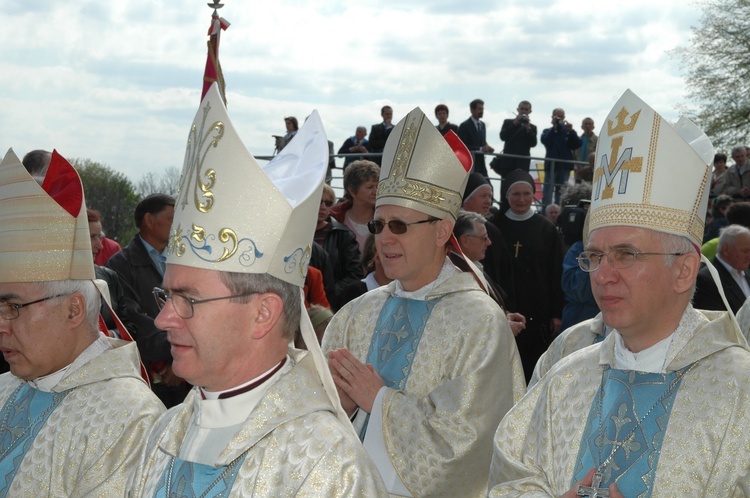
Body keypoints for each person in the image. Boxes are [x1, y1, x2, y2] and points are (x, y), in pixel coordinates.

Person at [489, 89, 750, 497]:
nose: (602, 275)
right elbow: (511, 478)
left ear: (683, 269)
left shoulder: (739, 388)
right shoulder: (565, 377)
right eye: (594, 255)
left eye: (626, 254)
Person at [129, 82, 387, 496]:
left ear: (263, 313)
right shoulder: (166, 428)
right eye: (167, 295)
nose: (162, 318)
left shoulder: (325, 465)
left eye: (187, 299)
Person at [323, 107, 525, 497]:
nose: (384, 239)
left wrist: (378, 401)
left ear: (442, 231)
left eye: (399, 225)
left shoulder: (479, 321)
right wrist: (342, 407)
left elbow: (467, 447)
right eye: (378, 225)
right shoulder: (356, 313)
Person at [0, 148, 164, 495]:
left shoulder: (128, 417)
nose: (2, 325)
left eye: (13, 307)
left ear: (74, 310)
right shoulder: (5, 388)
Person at [107, 193, 189, 407]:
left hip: (187, 375)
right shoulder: (120, 265)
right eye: (172, 219)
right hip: (148, 377)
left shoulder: (185, 259)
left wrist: (181, 361)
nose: (178, 225)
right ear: (149, 220)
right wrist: (175, 355)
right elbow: (134, 321)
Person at [492, 168, 564, 381]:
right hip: (504, 306)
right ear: (506, 196)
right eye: (516, 194)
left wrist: (556, 313)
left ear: (534, 196)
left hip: (538, 309)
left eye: (526, 194)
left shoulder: (547, 229)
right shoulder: (496, 226)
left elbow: (555, 270)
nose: (521, 199)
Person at [313, 183, 364, 310]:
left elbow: (354, 273)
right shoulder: (294, 232)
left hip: (330, 304)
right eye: (319, 201)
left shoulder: (344, 234)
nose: (323, 207)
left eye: (328, 203)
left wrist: (330, 293)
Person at [694, 224, 750, 313]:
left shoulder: (745, 272)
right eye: (745, 251)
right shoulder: (706, 280)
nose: (748, 256)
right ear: (726, 250)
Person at [330, 160, 379, 255]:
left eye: (378, 186)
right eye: (370, 187)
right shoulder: (334, 219)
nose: (376, 191)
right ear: (352, 191)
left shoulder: (386, 219)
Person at [540, 108, 583, 206]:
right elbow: (546, 141)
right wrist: (554, 127)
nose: (559, 118)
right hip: (551, 166)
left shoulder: (568, 131)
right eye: (557, 116)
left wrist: (571, 131)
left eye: (561, 116)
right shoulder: (547, 131)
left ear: (564, 117)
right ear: (552, 117)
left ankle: (559, 212)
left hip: (564, 166)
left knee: (562, 192)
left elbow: (577, 144)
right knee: (547, 191)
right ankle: (545, 210)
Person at [495, 100, 537, 176]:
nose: (523, 111)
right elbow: (502, 136)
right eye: (522, 109)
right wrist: (515, 124)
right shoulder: (507, 122)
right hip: (508, 161)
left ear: (530, 111)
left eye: (526, 109)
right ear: (518, 109)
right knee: (506, 184)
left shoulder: (532, 127)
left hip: (522, 163)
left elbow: (533, 143)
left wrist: (528, 129)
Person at [458, 98, 494, 177]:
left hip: (481, 162)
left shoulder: (482, 125)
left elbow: (483, 142)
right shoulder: (464, 126)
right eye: (479, 109)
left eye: (482, 109)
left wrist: (487, 147)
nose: (481, 111)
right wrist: (480, 149)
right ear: (472, 110)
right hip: (471, 163)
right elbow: (462, 146)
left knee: (488, 186)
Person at [573, 117, 598, 181]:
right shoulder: (577, 140)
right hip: (578, 170)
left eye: (590, 124)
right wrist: (575, 166)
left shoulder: (598, 140)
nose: (587, 126)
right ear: (582, 126)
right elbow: (573, 155)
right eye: (586, 124)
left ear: (593, 127)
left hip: (590, 172)